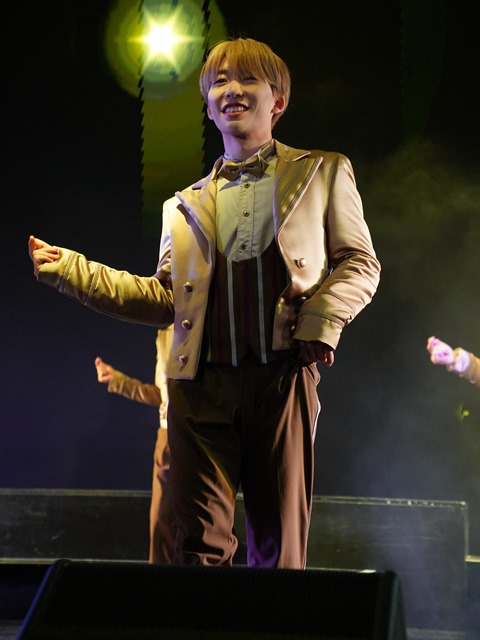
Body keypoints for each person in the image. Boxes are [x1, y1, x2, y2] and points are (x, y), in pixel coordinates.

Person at [28, 36, 381, 569]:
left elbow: (360, 262)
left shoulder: (323, 171)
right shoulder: (182, 206)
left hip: (281, 378)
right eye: (219, 82)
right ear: (209, 107)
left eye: (247, 79)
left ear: (278, 101)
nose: (231, 89)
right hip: (199, 387)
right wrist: (71, 270)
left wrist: (320, 322)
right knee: (197, 550)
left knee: (279, 549)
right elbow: (163, 298)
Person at [95, 325, 175, 564]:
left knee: (204, 523)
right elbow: (162, 395)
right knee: (161, 522)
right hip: (168, 437)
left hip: (202, 435)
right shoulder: (165, 334)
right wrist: (118, 381)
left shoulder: (205, 322)